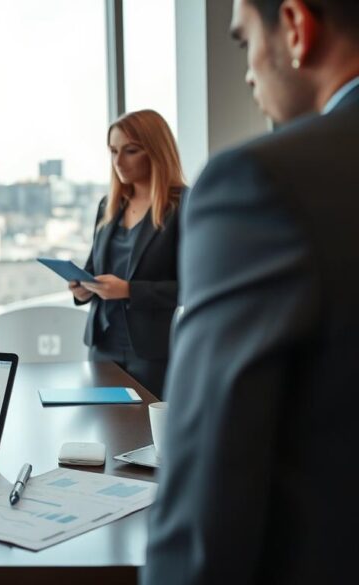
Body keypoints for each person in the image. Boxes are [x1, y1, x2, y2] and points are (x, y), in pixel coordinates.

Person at [144, 0, 359, 582]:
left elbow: (210, 491)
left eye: (244, 43)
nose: (247, 71)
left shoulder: (261, 182)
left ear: (295, 26)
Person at [70, 109, 186, 398]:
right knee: (105, 431)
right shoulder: (108, 205)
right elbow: (92, 268)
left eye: (130, 151)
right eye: (112, 151)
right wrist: (82, 289)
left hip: (152, 350)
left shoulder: (184, 206)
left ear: (156, 152)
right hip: (102, 345)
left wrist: (129, 290)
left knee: (148, 435)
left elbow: (194, 287)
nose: (118, 162)